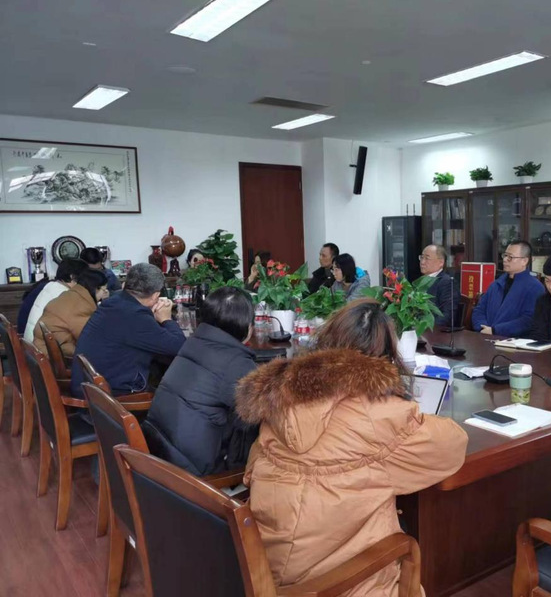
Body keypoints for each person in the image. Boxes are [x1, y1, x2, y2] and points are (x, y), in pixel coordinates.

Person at [235, 300, 467, 596]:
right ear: (386, 357)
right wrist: (404, 409)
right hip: (333, 585)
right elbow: (453, 445)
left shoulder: (281, 394)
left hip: (263, 563)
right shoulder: (378, 415)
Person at [142, 287, 258, 476]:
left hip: (161, 452)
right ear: (247, 326)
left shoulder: (193, 342)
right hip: (195, 474)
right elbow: (262, 414)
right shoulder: (237, 364)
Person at [71, 263, 186, 397]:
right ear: (156, 296)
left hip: (88, 385)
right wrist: (166, 319)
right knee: (175, 389)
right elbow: (179, 347)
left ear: (125, 285)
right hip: (106, 396)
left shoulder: (114, 301)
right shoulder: (135, 315)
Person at [471, 240, 545, 336]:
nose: (505, 259)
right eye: (505, 255)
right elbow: (479, 310)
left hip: (514, 342)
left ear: (524, 261)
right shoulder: (496, 284)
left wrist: (495, 330)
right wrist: (482, 328)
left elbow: (528, 320)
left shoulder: (535, 287)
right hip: (486, 337)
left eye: (510, 257)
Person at [33, 269, 109, 357]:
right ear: (96, 288)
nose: (105, 294)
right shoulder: (81, 305)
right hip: (53, 356)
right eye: (104, 290)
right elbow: (89, 337)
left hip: (43, 348)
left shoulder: (72, 295)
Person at [24, 258, 88, 342]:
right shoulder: (63, 294)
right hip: (39, 345)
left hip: (30, 344)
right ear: (72, 277)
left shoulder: (51, 286)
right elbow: (77, 327)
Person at [420, 244, 453, 326]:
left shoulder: (446, 282)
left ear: (441, 262)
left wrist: (426, 327)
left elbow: (447, 315)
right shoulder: (421, 281)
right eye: (422, 257)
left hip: (433, 329)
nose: (422, 262)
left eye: (427, 258)